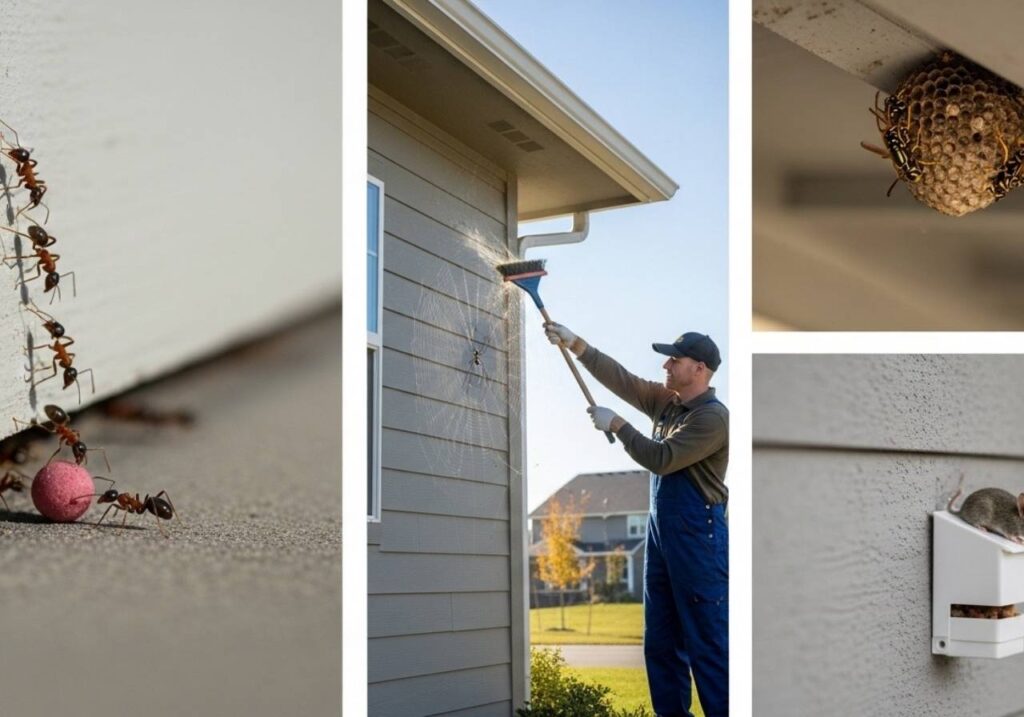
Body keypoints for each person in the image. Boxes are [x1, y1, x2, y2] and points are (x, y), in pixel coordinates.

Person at [544, 322, 728, 717]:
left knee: (707, 646)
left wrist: (617, 425)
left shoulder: (711, 419)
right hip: (662, 536)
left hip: (700, 539)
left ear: (699, 369)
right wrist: (576, 343)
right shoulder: (667, 403)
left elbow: (661, 459)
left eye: (674, 359)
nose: (666, 364)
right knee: (660, 645)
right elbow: (622, 380)